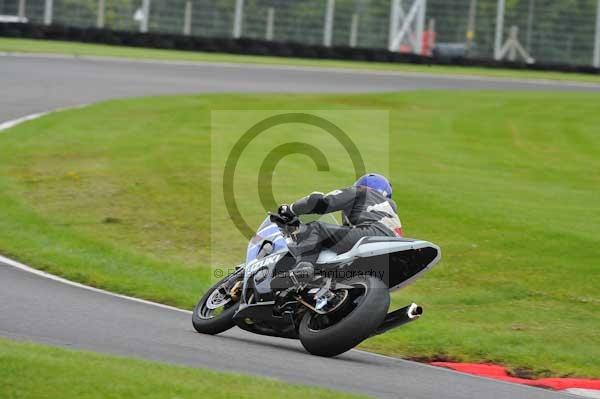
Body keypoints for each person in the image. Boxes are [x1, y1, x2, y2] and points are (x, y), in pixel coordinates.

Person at [276, 173, 403, 269]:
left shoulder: (361, 191)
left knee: (316, 228)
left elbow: (322, 203)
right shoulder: (391, 207)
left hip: (371, 235)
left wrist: (291, 210)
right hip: (396, 245)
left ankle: (303, 268)